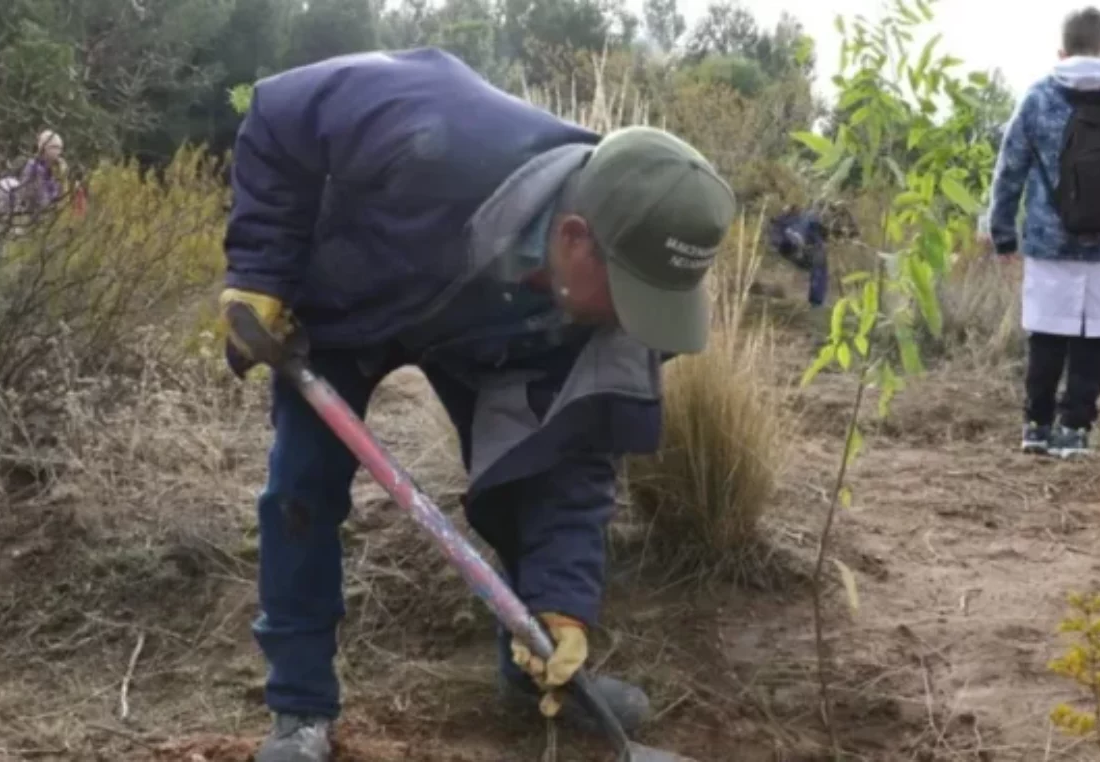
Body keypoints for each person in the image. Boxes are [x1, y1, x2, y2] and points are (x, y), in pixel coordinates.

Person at [218, 48, 736, 762]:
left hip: (491, 333)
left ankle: (534, 671)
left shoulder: (613, 315)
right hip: (352, 298)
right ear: (575, 239)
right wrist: (261, 269)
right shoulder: (438, 122)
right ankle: (300, 709)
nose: (636, 321)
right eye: (631, 295)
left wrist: (563, 602)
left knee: (536, 476)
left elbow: (577, 469)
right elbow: (280, 111)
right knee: (301, 491)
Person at [988, 7, 1100, 459]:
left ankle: (1036, 425)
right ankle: (1075, 431)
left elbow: (1009, 169)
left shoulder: (1039, 98)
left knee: (1047, 333)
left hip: (1050, 240)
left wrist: (1003, 233)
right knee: (1096, 338)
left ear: (1061, 51)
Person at [768, 203, 830, 307]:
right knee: (820, 263)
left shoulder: (783, 221)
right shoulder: (806, 219)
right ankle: (816, 302)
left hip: (790, 247)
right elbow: (821, 232)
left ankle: (816, 302)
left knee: (819, 262)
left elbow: (775, 235)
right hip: (796, 247)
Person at [19, 129, 64, 212]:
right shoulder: (34, 167)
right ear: (43, 148)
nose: (58, 151)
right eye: (54, 147)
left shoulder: (54, 169)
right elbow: (43, 200)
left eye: (60, 148)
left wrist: (62, 176)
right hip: (34, 214)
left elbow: (60, 196)